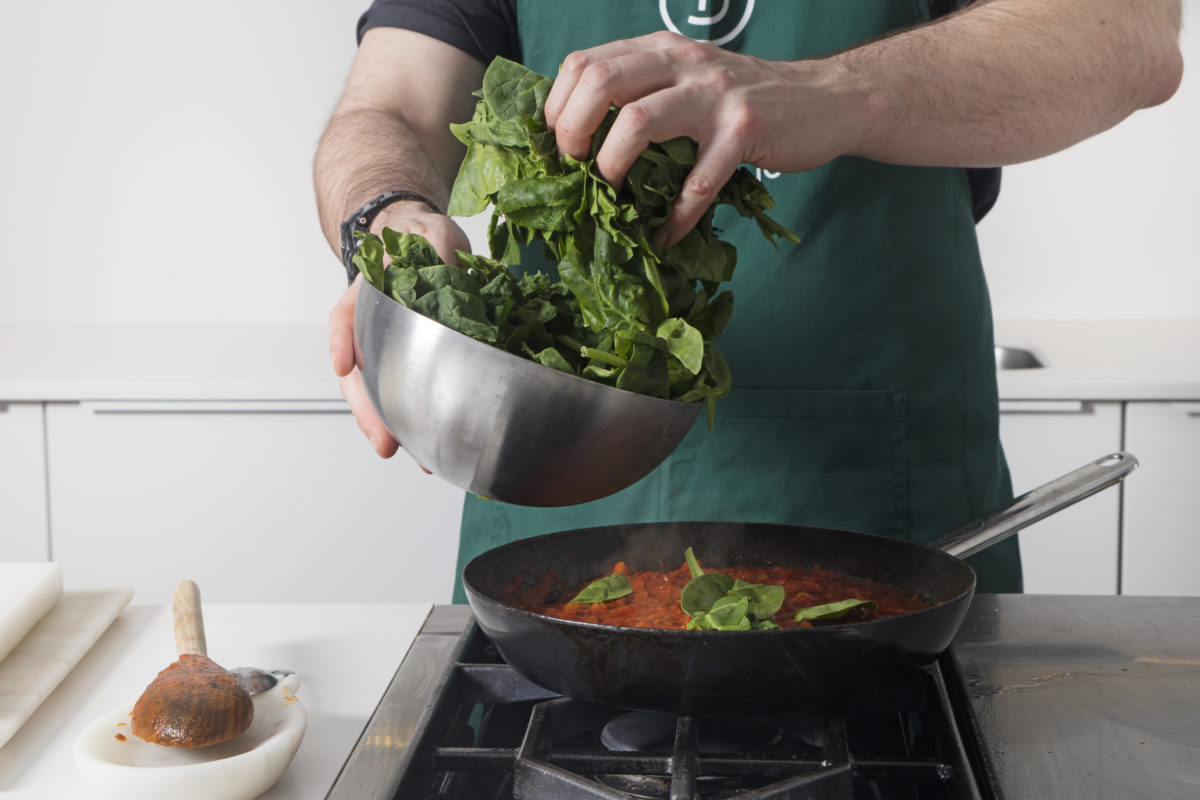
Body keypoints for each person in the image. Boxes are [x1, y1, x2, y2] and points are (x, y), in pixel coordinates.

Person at [314, 1, 1182, 602]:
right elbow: (386, 104)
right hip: (550, 495)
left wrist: (834, 92)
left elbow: (1128, 37)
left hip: (885, 523)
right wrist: (384, 220)